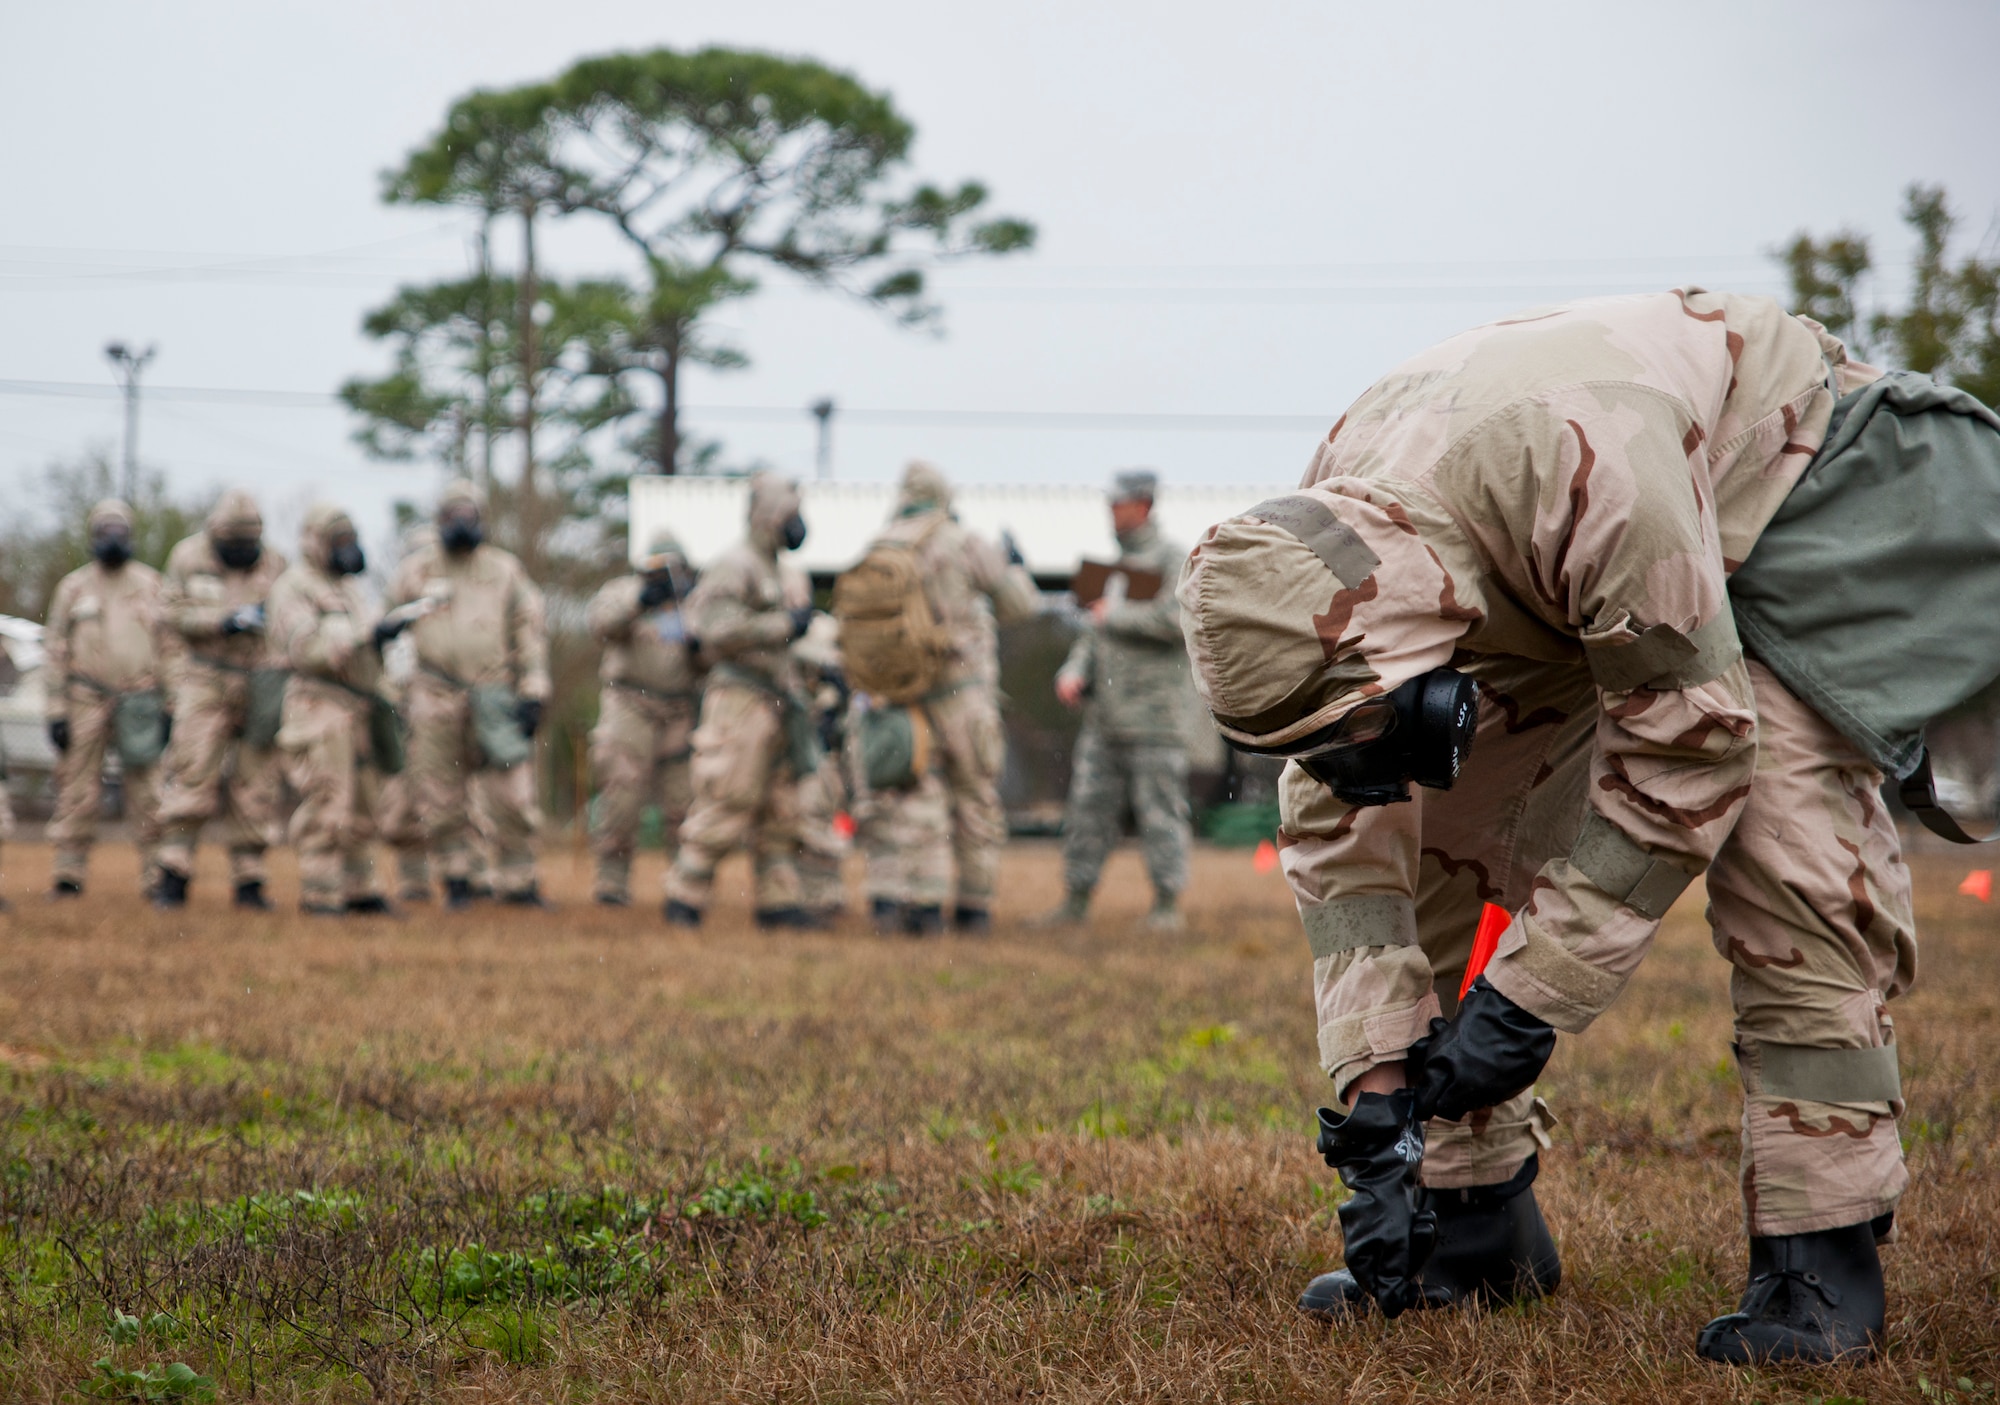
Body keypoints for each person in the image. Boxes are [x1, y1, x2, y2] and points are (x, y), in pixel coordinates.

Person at [1178, 288, 1924, 1364]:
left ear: (1389, 644)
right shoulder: (1314, 556)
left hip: (1768, 483)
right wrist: (1379, 1110)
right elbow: (1344, 822)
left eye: (1351, 719)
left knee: (1785, 841)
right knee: (1420, 810)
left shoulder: (1591, 475)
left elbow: (1691, 747)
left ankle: (1818, 1255)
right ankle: (1472, 1226)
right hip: (1530, 560)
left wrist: (1524, 1001)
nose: (1342, 751)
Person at [851, 461, 1040, 934]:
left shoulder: (881, 545)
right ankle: (972, 910)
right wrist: (1014, 566)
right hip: (963, 697)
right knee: (975, 802)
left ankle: (899, 904)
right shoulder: (963, 541)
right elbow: (1022, 607)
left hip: (901, 697)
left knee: (907, 802)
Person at [662, 473, 820, 929]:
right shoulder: (735, 565)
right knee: (728, 798)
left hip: (777, 701)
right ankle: (684, 897)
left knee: (780, 806)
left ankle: (779, 903)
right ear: (771, 516)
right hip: (739, 700)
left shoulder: (781, 571)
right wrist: (781, 625)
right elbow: (712, 628)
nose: (799, 525)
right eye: (792, 516)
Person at [383, 480, 551, 908]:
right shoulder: (415, 572)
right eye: (452, 514)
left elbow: (528, 632)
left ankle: (520, 882)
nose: (461, 522)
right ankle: (458, 879)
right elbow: (390, 634)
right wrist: (396, 693)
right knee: (440, 794)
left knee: (512, 791)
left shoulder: (505, 570)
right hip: (432, 694)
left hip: (494, 692)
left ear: (482, 519)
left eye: (469, 514)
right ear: (439, 520)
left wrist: (533, 689)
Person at [1041, 470, 1193, 930]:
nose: (1112, 512)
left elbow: (1177, 621)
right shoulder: (1109, 568)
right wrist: (1072, 672)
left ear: (1143, 505)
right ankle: (1075, 898)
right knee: (1087, 810)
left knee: (1160, 813)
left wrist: (1118, 614)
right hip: (1104, 718)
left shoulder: (1174, 560)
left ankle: (1167, 905)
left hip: (1154, 717)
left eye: (1119, 504)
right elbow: (1092, 633)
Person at [152, 490, 287, 909]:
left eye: (250, 543)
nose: (243, 551)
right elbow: (168, 615)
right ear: (217, 533)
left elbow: (289, 619)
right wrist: (221, 622)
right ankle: (174, 872)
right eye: (236, 543)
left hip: (256, 679)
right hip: (204, 677)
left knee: (256, 780)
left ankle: (249, 880)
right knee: (193, 771)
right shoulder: (187, 557)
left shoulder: (277, 563)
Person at [265, 504, 393, 915]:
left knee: (364, 803)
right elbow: (308, 649)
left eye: (351, 540)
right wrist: (366, 634)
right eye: (339, 541)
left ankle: (360, 888)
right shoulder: (293, 587)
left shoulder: (350, 590)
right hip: (317, 707)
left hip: (357, 707)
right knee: (327, 800)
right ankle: (320, 890)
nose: (348, 549)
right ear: (317, 543)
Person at [43, 499, 170, 897]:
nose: (113, 540)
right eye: (105, 532)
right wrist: (56, 710)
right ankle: (69, 875)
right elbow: (55, 650)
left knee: (148, 790)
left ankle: (156, 876)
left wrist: (170, 707)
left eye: (120, 532)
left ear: (131, 537)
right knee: (77, 788)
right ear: (93, 537)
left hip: (140, 700)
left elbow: (171, 649)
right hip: (85, 698)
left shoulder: (153, 586)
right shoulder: (73, 588)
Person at [586, 531, 702, 907]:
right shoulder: (623, 591)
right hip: (629, 705)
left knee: (683, 802)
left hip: (679, 711)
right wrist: (640, 602)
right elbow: (601, 624)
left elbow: (717, 654)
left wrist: (703, 643)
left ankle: (682, 889)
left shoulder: (695, 605)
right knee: (622, 796)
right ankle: (611, 886)